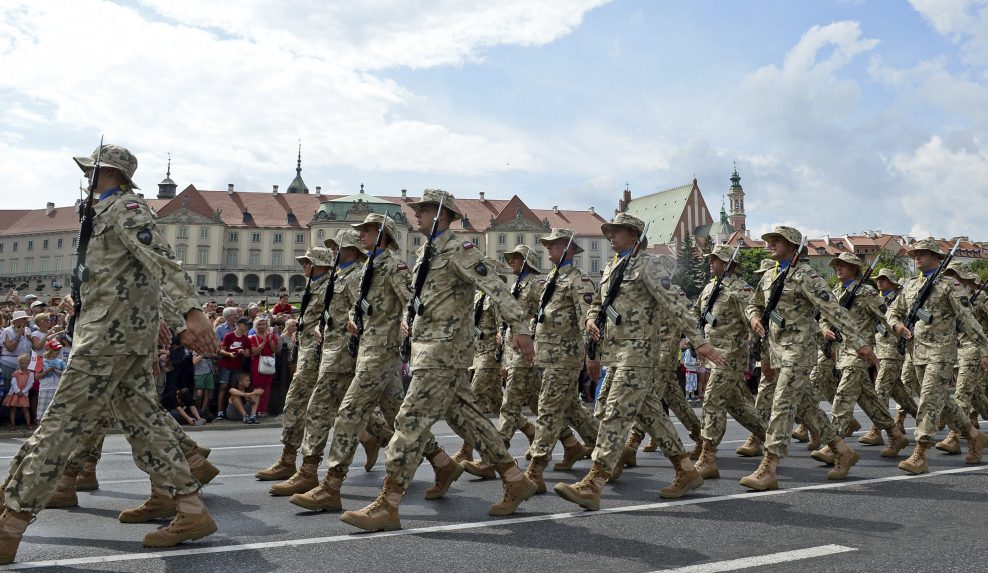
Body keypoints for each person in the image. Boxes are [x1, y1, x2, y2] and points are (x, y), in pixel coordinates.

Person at [0, 144, 220, 564]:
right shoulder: (100, 211)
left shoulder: (127, 208)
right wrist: (173, 320)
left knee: (60, 425)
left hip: (109, 336)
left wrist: (191, 314)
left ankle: (9, 524)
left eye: (91, 170)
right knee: (143, 424)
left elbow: (161, 262)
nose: (86, 176)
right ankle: (191, 510)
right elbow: (132, 278)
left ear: (107, 172)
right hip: (111, 332)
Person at [340, 189, 538, 532]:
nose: (417, 214)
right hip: (428, 347)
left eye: (425, 209)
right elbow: (423, 297)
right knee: (468, 419)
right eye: (418, 209)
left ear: (443, 214)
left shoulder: (459, 250)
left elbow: (494, 286)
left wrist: (520, 327)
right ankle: (514, 477)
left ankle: (388, 504)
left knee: (409, 421)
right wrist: (408, 318)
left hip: (443, 351)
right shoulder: (425, 252)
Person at [554, 213, 723, 511]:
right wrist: (592, 321)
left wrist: (699, 341)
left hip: (640, 353)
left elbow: (675, 303)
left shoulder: (648, 264)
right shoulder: (612, 266)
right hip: (616, 352)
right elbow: (598, 304)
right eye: (610, 231)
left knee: (614, 412)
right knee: (650, 417)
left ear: (633, 234)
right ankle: (685, 470)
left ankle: (593, 482)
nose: (611, 236)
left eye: (616, 231)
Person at [742, 225, 878, 491]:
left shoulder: (806, 275)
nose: (771, 244)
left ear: (793, 246)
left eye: (777, 241)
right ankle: (842, 451)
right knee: (808, 409)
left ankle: (769, 467)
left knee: (782, 405)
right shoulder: (769, 275)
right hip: (776, 349)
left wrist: (858, 341)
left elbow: (833, 308)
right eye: (770, 240)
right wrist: (754, 317)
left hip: (799, 351)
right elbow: (754, 304)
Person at [888, 239, 988, 473]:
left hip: (942, 354)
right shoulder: (911, 285)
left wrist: (984, 349)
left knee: (929, 401)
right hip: (917, 353)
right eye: (915, 254)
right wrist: (896, 325)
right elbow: (893, 310)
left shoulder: (949, 285)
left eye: (923, 254)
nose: (917, 258)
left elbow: (968, 319)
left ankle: (921, 453)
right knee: (943, 402)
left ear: (936, 257)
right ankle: (973, 436)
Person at [517, 228, 600, 491]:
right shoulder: (551, 279)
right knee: (572, 410)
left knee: (549, 409)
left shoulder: (579, 280)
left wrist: (591, 356)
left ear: (569, 249)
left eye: (554, 244)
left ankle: (535, 472)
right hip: (547, 355)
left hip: (565, 357)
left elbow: (588, 319)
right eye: (548, 244)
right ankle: (608, 450)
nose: (548, 248)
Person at [812, 253, 909, 465]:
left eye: (844, 265)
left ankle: (834, 444)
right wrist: (825, 329)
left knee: (843, 395)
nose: (839, 268)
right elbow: (824, 318)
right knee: (869, 399)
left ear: (855, 269)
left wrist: (898, 336)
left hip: (859, 353)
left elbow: (887, 316)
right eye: (837, 265)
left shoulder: (867, 292)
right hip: (841, 351)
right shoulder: (835, 293)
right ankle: (895, 433)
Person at [255, 247, 334, 481]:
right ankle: (288, 460)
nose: (303, 267)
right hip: (309, 352)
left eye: (307, 262)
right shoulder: (313, 286)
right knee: (299, 403)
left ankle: (302, 467)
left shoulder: (333, 285)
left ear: (319, 263)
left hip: (327, 352)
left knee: (320, 406)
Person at [690, 243, 767, 480]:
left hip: (730, 355)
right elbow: (695, 314)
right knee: (737, 406)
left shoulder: (740, 289)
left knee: (712, 400)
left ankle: (708, 457)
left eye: (715, 259)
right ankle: (773, 438)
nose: (709, 262)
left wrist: (755, 328)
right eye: (710, 258)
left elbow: (753, 314)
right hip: (711, 354)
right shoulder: (710, 287)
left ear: (728, 263)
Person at [217, 317, 251, 418]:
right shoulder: (229, 336)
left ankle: (231, 410)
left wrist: (242, 352)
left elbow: (248, 354)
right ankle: (220, 412)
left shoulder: (246, 339)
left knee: (234, 388)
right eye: (245, 324)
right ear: (239, 324)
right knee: (223, 387)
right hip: (226, 365)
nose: (247, 326)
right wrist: (229, 354)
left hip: (237, 366)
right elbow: (221, 350)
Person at [249, 316, 279, 416]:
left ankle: (263, 409)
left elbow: (275, 350)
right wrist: (264, 341)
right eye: (259, 324)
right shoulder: (253, 337)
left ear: (267, 325)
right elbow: (255, 352)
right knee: (258, 387)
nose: (261, 326)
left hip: (269, 362)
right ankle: (256, 410)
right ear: (256, 326)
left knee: (267, 387)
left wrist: (270, 341)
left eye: (263, 324)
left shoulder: (271, 335)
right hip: (257, 363)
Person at [1, 311, 33, 394]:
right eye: (24, 319)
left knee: (23, 390)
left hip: (25, 365)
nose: (27, 321)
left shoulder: (28, 330)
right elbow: (10, 348)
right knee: (8, 391)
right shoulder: (7, 331)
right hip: (9, 364)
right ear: (16, 321)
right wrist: (18, 335)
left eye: (26, 319)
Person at [36, 340, 65, 421]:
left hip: (58, 389)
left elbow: (65, 374)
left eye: (58, 350)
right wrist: (47, 371)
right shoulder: (40, 361)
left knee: (56, 415)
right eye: (56, 350)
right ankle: (39, 431)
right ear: (49, 350)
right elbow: (37, 377)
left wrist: (56, 371)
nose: (58, 352)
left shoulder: (61, 361)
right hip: (45, 389)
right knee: (41, 415)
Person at [4, 354, 34, 430]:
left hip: (24, 394)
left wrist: (23, 392)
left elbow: (30, 384)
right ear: (19, 363)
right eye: (21, 363)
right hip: (15, 393)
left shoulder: (31, 373)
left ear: (29, 363)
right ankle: (12, 425)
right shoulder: (16, 373)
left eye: (25, 363)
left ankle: (28, 424)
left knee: (25, 408)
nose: (23, 365)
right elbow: (13, 382)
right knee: (13, 408)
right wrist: (17, 391)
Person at [191, 350, 215, 415]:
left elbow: (214, 356)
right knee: (199, 394)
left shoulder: (209, 347)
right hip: (199, 373)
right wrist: (202, 354)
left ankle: (203, 411)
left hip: (209, 371)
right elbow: (194, 361)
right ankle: (197, 411)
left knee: (207, 393)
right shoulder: (196, 348)